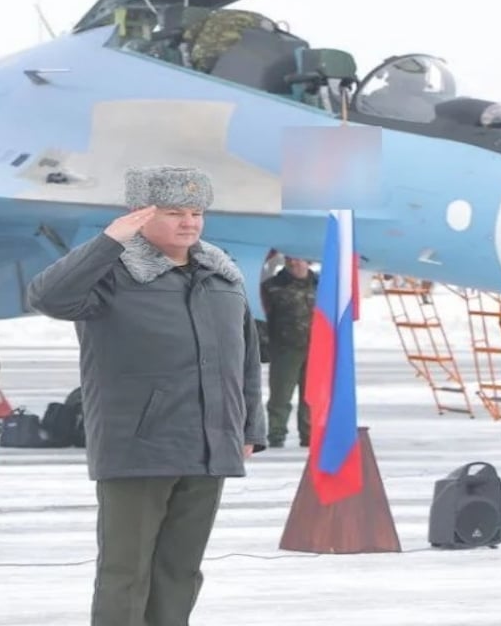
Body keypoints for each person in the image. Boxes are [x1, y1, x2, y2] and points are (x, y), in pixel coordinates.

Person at [26, 165, 267, 626]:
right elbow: (47, 296)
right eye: (174, 212)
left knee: (180, 572)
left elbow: (245, 360)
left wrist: (248, 427)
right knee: (125, 573)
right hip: (139, 448)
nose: (189, 223)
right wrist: (107, 243)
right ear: (138, 216)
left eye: (196, 212)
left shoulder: (220, 274)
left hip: (208, 446)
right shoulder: (111, 274)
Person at [259, 256, 318, 447]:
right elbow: (262, 317)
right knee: (280, 396)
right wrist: (264, 345)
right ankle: (276, 435)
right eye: (289, 259)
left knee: (311, 395)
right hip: (285, 349)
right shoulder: (272, 286)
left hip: (316, 349)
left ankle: (309, 435)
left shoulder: (323, 285)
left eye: (299, 259)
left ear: (308, 261)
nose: (294, 263)